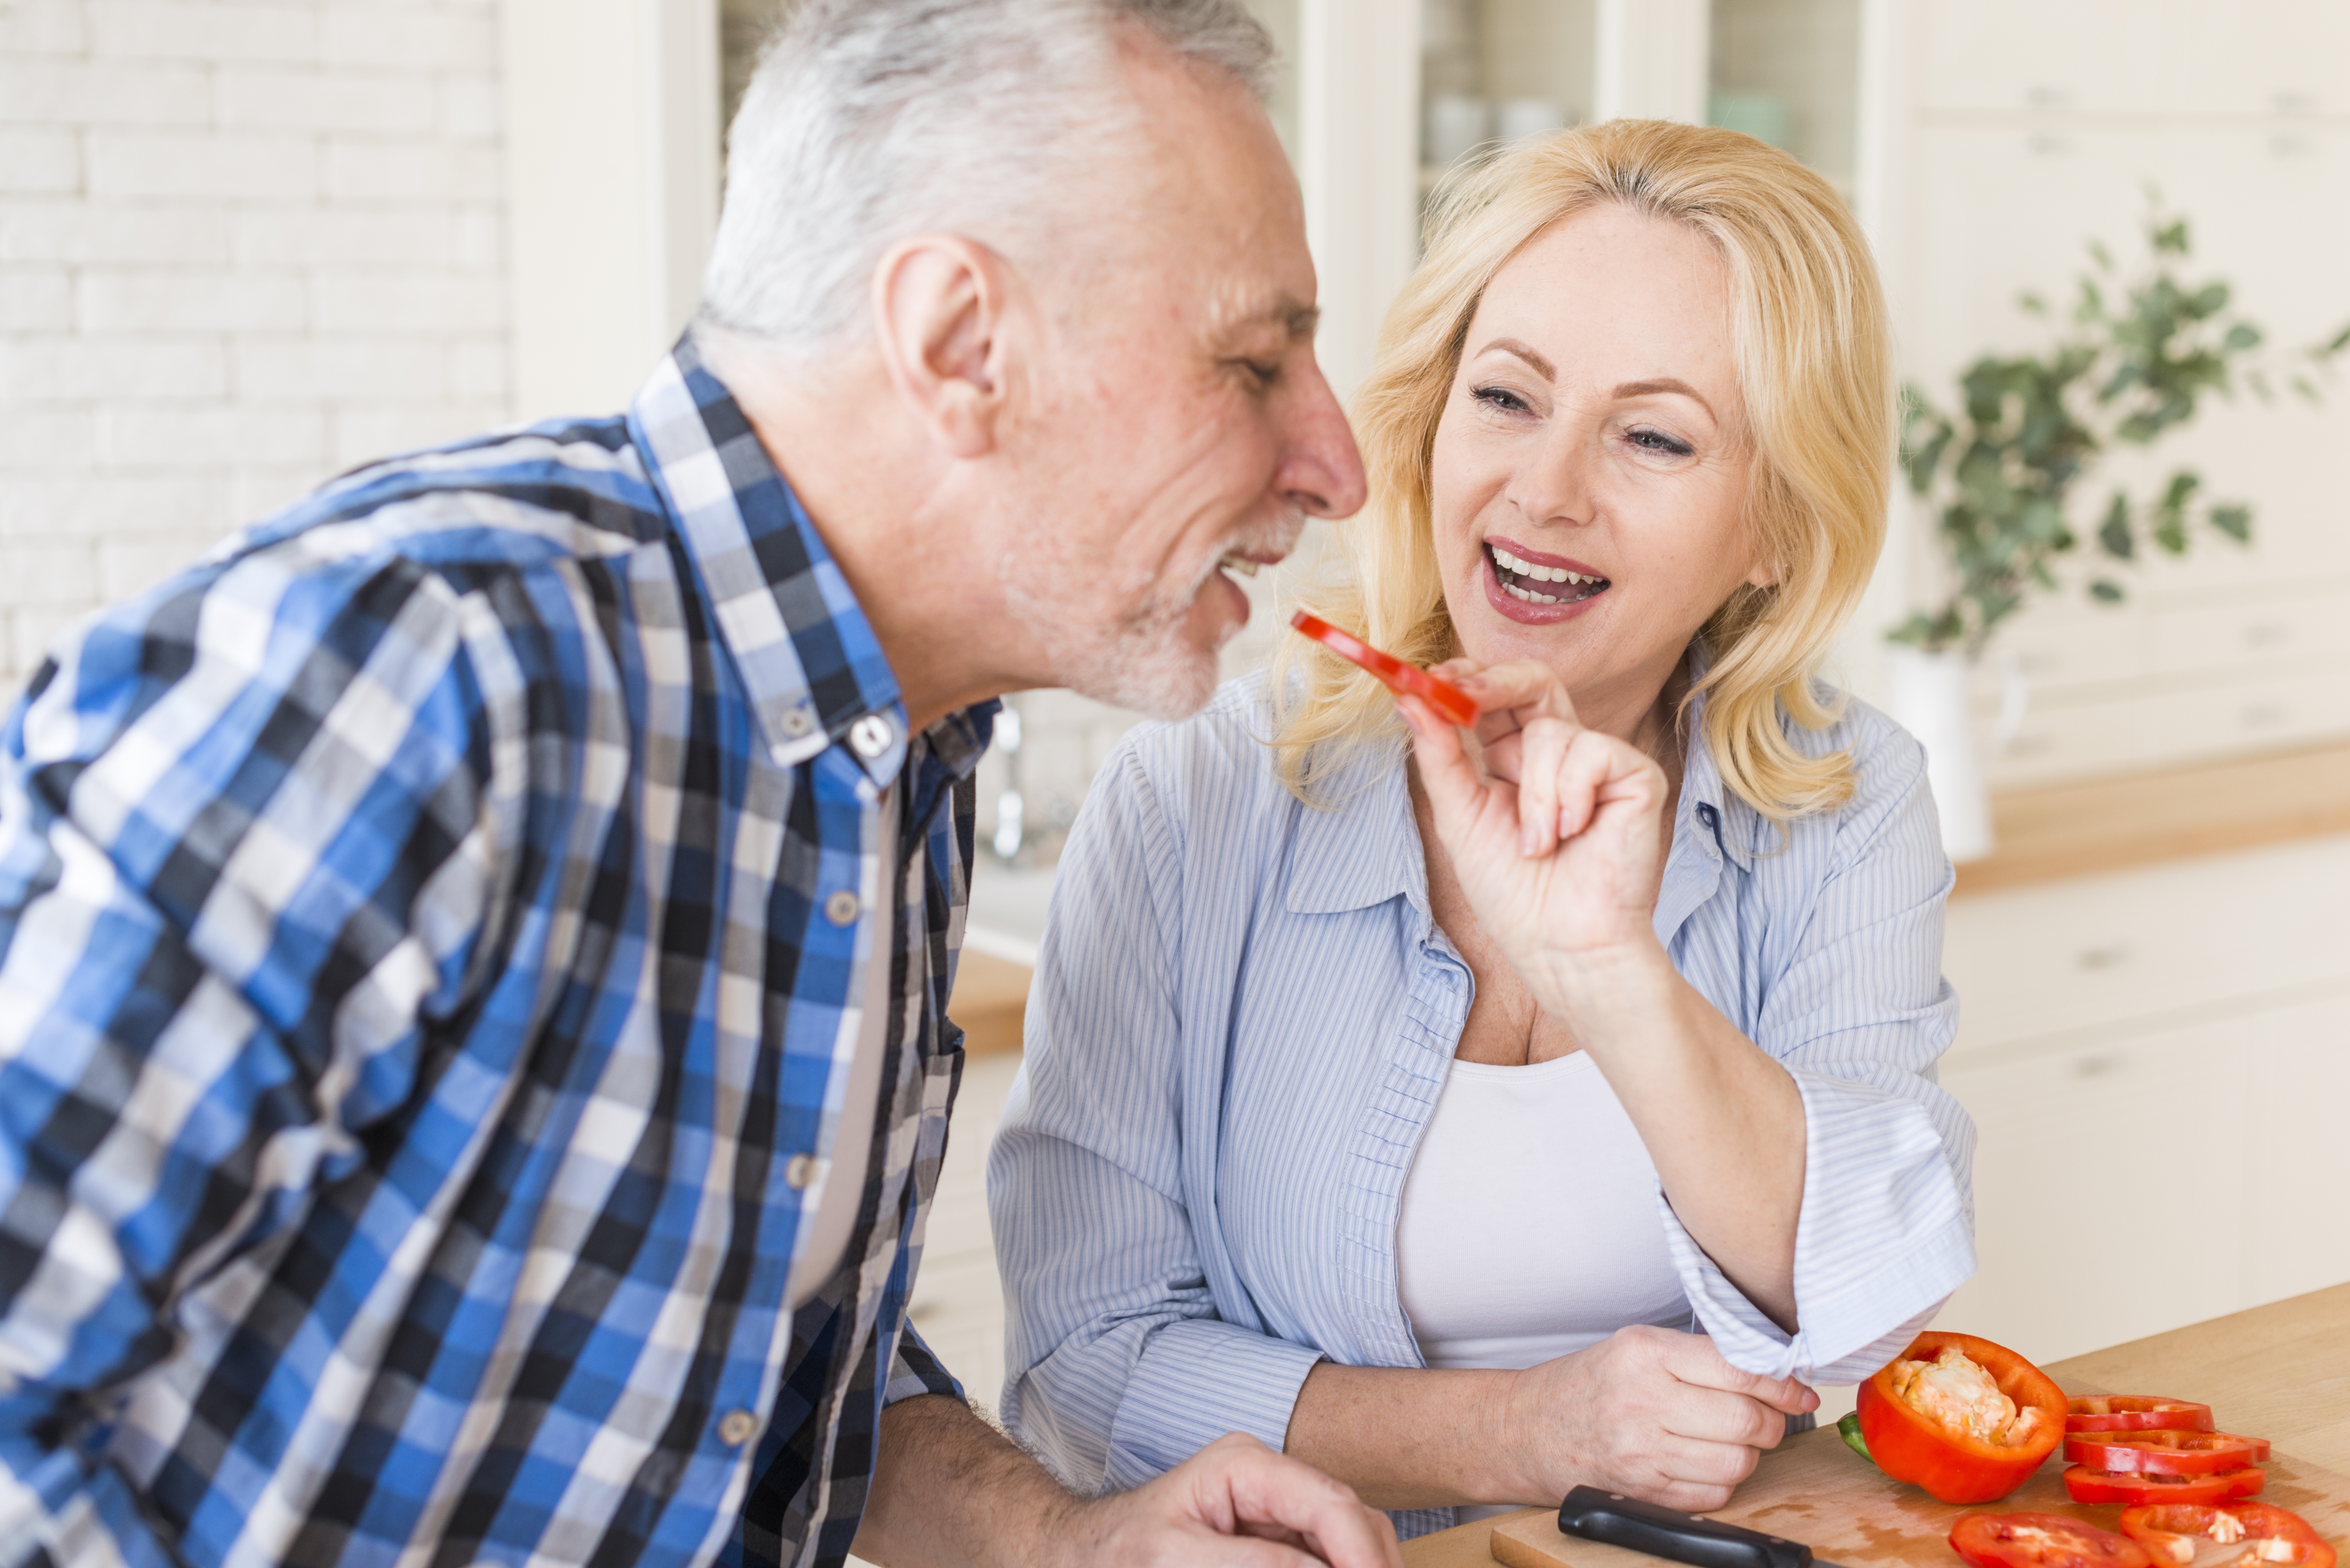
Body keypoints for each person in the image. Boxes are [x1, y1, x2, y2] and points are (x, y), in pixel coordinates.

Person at [0, 4, 1403, 1567]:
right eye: (1253, 358)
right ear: (960, 348)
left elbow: (756, 1379)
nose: (1334, 462)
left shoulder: (893, 757)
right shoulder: (417, 666)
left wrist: (1070, 1544)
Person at [989, 119, 1981, 1539]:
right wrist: (1525, 1433)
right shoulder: (1188, 805)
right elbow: (1081, 1364)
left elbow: (1865, 1298)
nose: (1546, 489)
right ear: (1428, 421)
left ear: (1771, 523)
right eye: (1506, 398)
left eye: (1651, 435)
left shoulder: (1844, 799)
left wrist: (1608, 969)